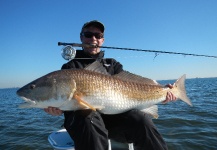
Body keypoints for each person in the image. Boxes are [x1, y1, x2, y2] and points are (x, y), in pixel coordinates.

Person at [44, 20, 176, 150]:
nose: (93, 39)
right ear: (81, 37)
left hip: (113, 121)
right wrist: (56, 108)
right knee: (88, 118)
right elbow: (61, 98)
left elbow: (134, 87)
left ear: (103, 40)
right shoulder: (70, 67)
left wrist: (162, 93)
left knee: (141, 120)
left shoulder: (112, 65)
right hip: (83, 124)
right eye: (88, 35)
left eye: (98, 36)